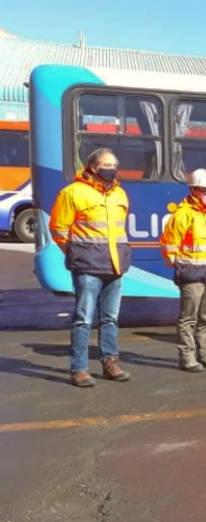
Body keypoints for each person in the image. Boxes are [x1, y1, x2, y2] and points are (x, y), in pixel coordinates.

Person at [49, 148, 131, 387]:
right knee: (83, 319)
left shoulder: (120, 194)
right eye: (108, 164)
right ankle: (79, 369)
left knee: (110, 319)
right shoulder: (72, 193)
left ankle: (110, 364)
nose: (113, 169)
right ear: (94, 167)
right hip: (87, 268)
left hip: (115, 267)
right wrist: (77, 254)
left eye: (115, 164)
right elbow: (58, 229)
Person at [160, 168, 206, 372]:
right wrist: (180, 266)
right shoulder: (183, 214)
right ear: (193, 190)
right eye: (205, 189)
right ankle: (187, 357)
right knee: (188, 318)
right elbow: (168, 243)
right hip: (192, 276)